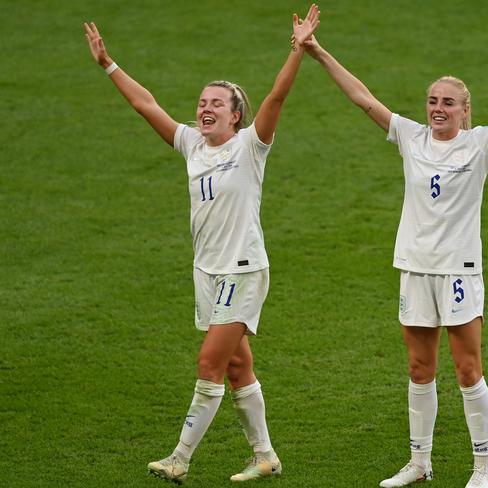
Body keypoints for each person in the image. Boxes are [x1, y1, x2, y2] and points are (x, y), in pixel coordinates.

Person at [300, 29, 488, 488]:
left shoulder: (481, 143)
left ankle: (482, 467)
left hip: (458, 270)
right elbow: (362, 98)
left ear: (466, 111)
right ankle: (419, 462)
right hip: (415, 267)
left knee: (468, 369)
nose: (438, 108)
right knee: (418, 368)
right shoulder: (410, 136)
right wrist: (317, 51)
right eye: (433, 100)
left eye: (448, 102)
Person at [84, 5, 320, 484]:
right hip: (206, 270)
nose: (205, 109)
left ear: (236, 116)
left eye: (216, 104)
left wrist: (298, 50)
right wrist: (109, 64)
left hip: (242, 268)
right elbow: (146, 105)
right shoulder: (192, 144)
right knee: (236, 366)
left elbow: (277, 96)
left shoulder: (251, 146)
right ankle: (266, 455)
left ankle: (180, 458)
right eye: (201, 102)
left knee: (209, 361)